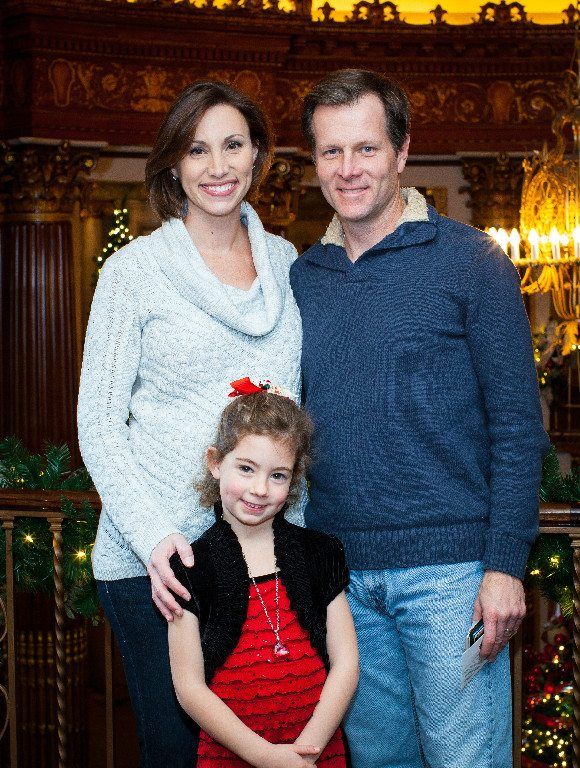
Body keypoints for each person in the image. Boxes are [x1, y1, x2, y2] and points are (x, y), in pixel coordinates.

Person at [289, 68, 551, 768]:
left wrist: (504, 566)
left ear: (402, 152)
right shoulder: (302, 279)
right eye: (331, 151)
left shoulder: (472, 262)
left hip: (452, 579)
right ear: (314, 160)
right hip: (342, 578)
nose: (348, 168)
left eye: (366, 148)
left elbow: (518, 426)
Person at [77, 81, 303, 767]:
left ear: (258, 154)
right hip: (159, 564)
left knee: (265, 742)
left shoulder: (287, 263)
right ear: (174, 164)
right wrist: (154, 538)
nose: (218, 166)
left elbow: (292, 410)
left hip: (261, 557)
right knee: (178, 750)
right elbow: (97, 422)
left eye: (233, 145)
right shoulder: (134, 272)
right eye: (197, 149)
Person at [168, 384, 359, 768]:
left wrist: (307, 750)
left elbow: (347, 663)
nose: (259, 489)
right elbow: (189, 688)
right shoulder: (189, 568)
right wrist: (266, 757)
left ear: (294, 479)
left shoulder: (320, 553)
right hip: (232, 756)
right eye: (246, 468)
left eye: (278, 475)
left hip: (315, 754)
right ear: (215, 462)